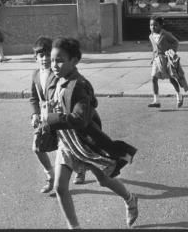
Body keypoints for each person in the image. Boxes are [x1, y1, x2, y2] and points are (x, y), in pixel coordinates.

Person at [36, 37, 138, 229]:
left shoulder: (79, 85)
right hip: (66, 142)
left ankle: (130, 199)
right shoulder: (56, 78)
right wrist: (43, 114)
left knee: (103, 179)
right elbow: (54, 102)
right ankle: (75, 228)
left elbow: (80, 119)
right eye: (52, 60)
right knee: (60, 187)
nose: (54, 65)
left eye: (60, 60)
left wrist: (50, 119)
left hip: (84, 143)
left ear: (74, 61)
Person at [29, 37, 86, 192]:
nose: (45, 59)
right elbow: (34, 97)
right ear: (36, 58)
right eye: (41, 56)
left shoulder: (59, 74)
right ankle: (50, 175)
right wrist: (35, 114)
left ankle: (80, 170)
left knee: (72, 146)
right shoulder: (35, 75)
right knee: (37, 147)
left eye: (48, 55)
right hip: (46, 118)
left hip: (61, 118)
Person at [148, 16, 188, 108]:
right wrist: (152, 57)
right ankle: (156, 100)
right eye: (151, 25)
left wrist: (171, 52)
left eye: (155, 25)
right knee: (153, 78)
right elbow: (154, 49)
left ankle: (179, 95)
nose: (152, 27)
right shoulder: (151, 35)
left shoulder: (166, 34)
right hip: (157, 60)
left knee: (171, 79)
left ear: (160, 25)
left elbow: (176, 42)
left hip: (167, 60)